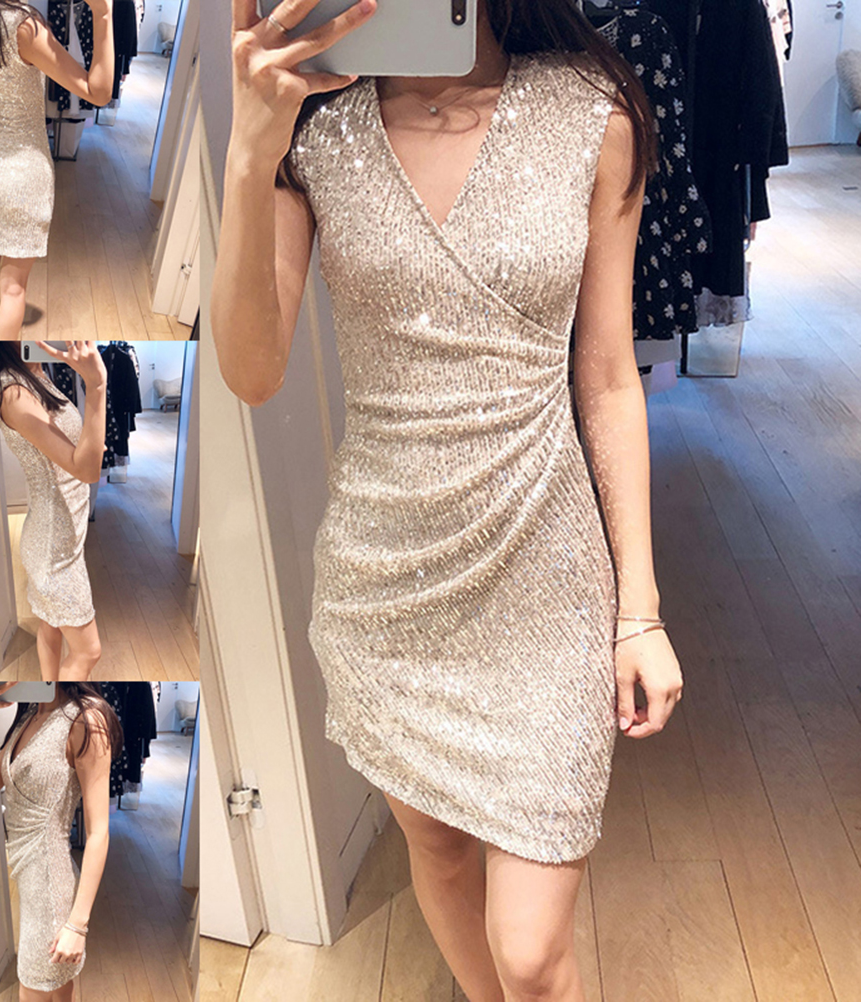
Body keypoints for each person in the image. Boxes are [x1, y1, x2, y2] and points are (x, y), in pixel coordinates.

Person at [211, 1, 685, 999]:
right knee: (436, 846)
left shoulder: (594, 112)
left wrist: (639, 608)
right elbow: (252, 372)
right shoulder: (312, 132)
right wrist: (249, 154)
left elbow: (607, 374)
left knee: (533, 953)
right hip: (385, 585)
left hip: (545, 570)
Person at [0, 0, 115, 340]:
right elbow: (98, 91)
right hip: (24, 174)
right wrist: (103, 14)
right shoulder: (23, 26)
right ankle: (6, 351)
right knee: (14, 286)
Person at [0, 680, 123, 1002]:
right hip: (29, 882)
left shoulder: (85, 720)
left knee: (33, 987)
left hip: (52, 889)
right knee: (58, 987)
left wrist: (77, 926)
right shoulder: (29, 715)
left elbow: (98, 832)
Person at [0, 341, 107, 680]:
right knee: (88, 651)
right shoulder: (14, 393)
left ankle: (49, 701)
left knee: (50, 627)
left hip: (60, 535)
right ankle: (59, 708)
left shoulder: (35, 370)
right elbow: (87, 470)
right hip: (54, 550)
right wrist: (96, 386)